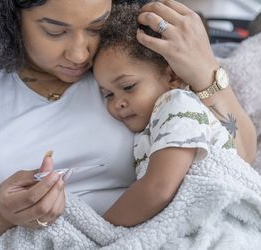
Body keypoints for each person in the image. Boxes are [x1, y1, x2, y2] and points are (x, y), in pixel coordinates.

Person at [0, 0, 256, 249]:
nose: (80, 54)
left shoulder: (135, 56)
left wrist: (206, 71)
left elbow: (236, 164)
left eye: (97, 26)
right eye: (55, 30)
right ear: (6, 15)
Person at [93, 3, 238, 227]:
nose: (117, 103)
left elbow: (159, 189)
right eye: (107, 94)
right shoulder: (151, 124)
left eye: (128, 86)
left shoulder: (177, 105)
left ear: (171, 77)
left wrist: (99, 229)